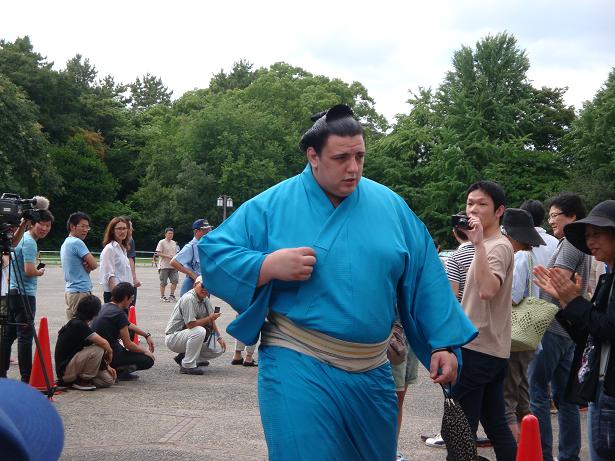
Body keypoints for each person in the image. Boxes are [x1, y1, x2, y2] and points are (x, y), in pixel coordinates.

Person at [198, 104, 477, 460]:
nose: (353, 168)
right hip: (297, 359)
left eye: (360, 156)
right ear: (313, 156)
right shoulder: (272, 204)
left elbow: (425, 275)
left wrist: (442, 344)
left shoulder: (390, 206)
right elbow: (214, 253)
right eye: (341, 158)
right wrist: (266, 264)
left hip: (373, 367)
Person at [533, 200, 615, 461]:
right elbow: (593, 333)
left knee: (538, 393)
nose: (591, 241)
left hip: (609, 389)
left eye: (597, 234)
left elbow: (608, 328)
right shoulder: (607, 277)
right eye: (588, 235)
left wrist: (573, 301)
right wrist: (568, 303)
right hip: (600, 383)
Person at [449, 181, 517, 461]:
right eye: (469, 203)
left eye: (482, 204)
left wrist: (477, 244)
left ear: (499, 211)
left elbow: (488, 290)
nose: (473, 210)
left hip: (477, 348)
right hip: (490, 348)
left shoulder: (497, 246)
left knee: (459, 432)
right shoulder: (488, 244)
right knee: (496, 425)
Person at [528, 192, 591, 461]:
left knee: (537, 393)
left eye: (556, 216)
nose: (551, 220)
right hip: (570, 329)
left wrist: (543, 285)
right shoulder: (584, 244)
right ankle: (568, 455)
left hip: (553, 326)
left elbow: (560, 282)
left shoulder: (569, 243)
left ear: (572, 217)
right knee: (566, 399)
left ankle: (541, 454)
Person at [499, 208, 546, 440]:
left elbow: (515, 296)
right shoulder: (532, 256)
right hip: (529, 334)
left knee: (508, 398)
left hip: (515, 334)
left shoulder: (519, 258)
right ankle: (530, 445)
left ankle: (514, 449)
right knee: (522, 396)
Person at [0, 210, 54, 382]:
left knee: (8, 336)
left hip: (12, 293)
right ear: (32, 223)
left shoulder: (22, 237)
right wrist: (40, 271)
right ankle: (26, 376)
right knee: (25, 336)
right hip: (24, 295)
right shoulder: (30, 242)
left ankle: (2, 373)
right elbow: (29, 271)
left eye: (48, 225)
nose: (44, 228)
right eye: (41, 224)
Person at [91, 283, 155, 381]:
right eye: (131, 298)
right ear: (125, 298)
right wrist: (145, 351)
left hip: (99, 352)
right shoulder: (119, 313)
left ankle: (117, 367)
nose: (132, 301)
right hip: (110, 354)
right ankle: (120, 371)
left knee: (131, 332)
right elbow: (128, 344)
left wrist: (146, 335)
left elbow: (128, 324)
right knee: (148, 360)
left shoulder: (106, 306)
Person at [165, 276, 226, 375]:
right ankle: (187, 365)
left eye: (208, 287)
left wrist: (219, 337)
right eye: (203, 286)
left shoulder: (205, 298)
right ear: (194, 285)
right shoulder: (189, 298)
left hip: (187, 335)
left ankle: (186, 358)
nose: (205, 289)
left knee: (219, 347)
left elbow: (211, 320)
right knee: (199, 331)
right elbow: (191, 324)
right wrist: (210, 318)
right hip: (174, 337)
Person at [55, 295, 116, 390]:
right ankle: (83, 381)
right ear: (95, 314)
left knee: (108, 380)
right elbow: (104, 343)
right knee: (99, 348)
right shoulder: (78, 324)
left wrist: (106, 366)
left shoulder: (81, 324)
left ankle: (75, 381)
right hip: (65, 371)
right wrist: (110, 352)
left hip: (73, 365)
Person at [515, 199, 559, 301]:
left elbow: (515, 293)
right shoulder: (556, 242)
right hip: (554, 303)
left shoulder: (521, 244)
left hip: (530, 305)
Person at [60, 212, 98, 320]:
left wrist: (87, 267)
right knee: (82, 324)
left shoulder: (66, 242)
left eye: (87, 227)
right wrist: (89, 265)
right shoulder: (77, 242)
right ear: (72, 226)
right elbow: (94, 264)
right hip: (80, 291)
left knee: (73, 324)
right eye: (83, 226)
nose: (85, 230)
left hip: (71, 291)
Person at [170, 219, 212, 296]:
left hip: (205, 283)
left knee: (204, 304)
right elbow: (174, 262)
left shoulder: (206, 245)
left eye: (209, 230)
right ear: (196, 231)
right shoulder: (191, 247)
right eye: (205, 230)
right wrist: (193, 275)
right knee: (188, 303)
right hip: (192, 283)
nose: (208, 232)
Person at [99, 217, 132, 303]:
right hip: (115, 295)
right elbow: (109, 275)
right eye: (119, 229)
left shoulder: (122, 249)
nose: (122, 231)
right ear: (112, 231)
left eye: (124, 228)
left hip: (124, 294)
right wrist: (117, 299)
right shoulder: (110, 249)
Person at [155, 227, 179, 302]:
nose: (170, 235)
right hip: (164, 266)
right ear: (165, 234)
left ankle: (172, 295)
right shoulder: (161, 242)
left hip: (173, 265)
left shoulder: (174, 243)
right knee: (163, 282)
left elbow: (176, 254)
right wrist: (168, 256)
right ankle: (162, 296)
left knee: (175, 280)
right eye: (169, 233)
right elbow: (158, 253)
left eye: (172, 233)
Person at [123, 217, 141, 305]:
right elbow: (130, 259)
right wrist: (134, 278)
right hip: (127, 279)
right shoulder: (129, 240)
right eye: (130, 226)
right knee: (130, 306)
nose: (132, 229)